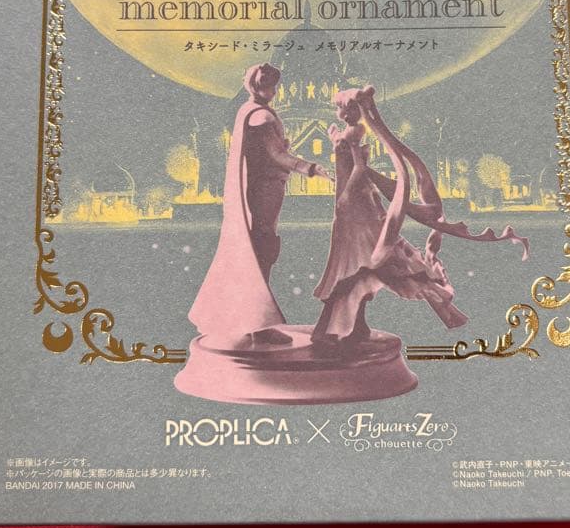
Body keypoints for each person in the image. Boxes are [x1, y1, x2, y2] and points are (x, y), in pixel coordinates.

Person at [312, 87, 528, 345]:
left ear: (357, 110)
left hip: (356, 203)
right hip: (352, 204)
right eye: (341, 108)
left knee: (365, 260)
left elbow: (359, 167)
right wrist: (335, 139)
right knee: (359, 262)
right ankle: (353, 327)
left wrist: (346, 195)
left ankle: (341, 329)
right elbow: (349, 162)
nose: (344, 113)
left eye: (349, 108)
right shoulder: (348, 132)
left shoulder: (355, 131)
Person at [189, 63, 332, 344]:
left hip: (263, 188)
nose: (275, 91)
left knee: (261, 249)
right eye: (271, 86)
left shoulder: (248, 110)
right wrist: (311, 168)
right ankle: (259, 325)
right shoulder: (261, 117)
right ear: (262, 87)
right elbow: (277, 155)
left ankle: (251, 321)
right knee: (263, 250)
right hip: (264, 189)